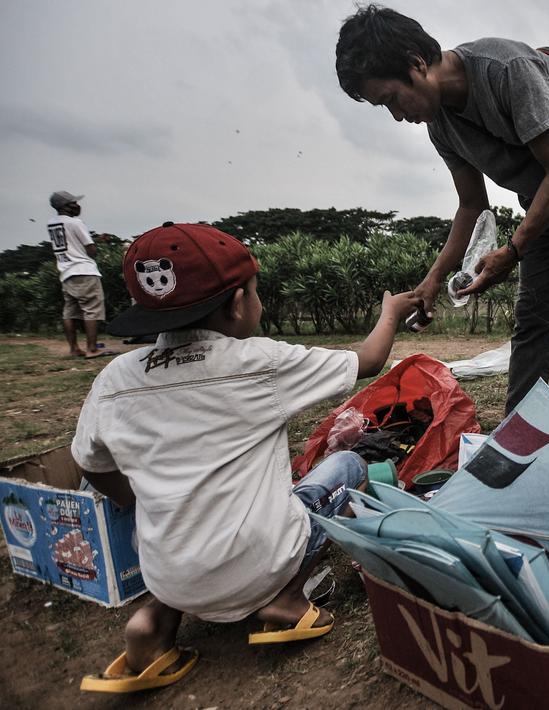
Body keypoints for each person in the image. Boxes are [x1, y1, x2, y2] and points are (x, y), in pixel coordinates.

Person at [335, 6, 549, 513]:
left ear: (416, 63)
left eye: (390, 98)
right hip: (543, 204)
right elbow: (471, 205)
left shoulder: (505, 69)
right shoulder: (442, 126)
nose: (397, 115)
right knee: (531, 322)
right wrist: (432, 281)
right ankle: (516, 447)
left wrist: (513, 251)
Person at [73, 222, 417, 693]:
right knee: (349, 467)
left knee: (181, 526)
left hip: (168, 575)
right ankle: (286, 600)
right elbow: (369, 360)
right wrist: (391, 311)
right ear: (238, 303)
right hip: (258, 566)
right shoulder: (259, 362)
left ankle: (154, 622)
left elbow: (92, 466)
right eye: (256, 291)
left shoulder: (114, 380)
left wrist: (143, 502)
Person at [47, 191, 112, 358]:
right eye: (74, 203)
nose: (77, 205)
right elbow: (90, 249)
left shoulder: (52, 223)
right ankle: (92, 349)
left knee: (70, 312)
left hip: (66, 272)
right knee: (91, 309)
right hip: (84, 270)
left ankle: (74, 348)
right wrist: (94, 246)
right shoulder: (76, 223)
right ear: (66, 206)